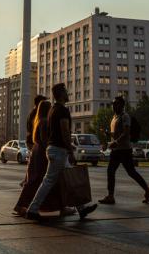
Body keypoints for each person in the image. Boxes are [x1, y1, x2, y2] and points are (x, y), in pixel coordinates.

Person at [25, 83, 97, 221]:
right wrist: (70, 151)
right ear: (61, 94)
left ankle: (81, 209)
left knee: (69, 181)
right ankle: (32, 209)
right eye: (65, 91)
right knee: (49, 181)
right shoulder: (62, 110)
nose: (68, 93)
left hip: (54, 149)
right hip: (59, 150)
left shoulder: (53, 109)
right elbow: (65, 131)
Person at [98, 96, 149, 205]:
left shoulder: (125, 116)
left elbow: (126, 132)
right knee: (111, 171)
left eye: (116, 104)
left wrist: (116, 142)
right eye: (113, 104)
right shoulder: (114, 117)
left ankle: (148, 191)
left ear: (122, 105)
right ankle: (110, 196)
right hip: (116, 150)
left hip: (124, 150)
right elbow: (116, 133)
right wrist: (109, 134)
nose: (113, 106)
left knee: (131, 172)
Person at [14, 100, 56, 215]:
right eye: (50, 107)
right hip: (42, 153)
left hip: (37, 152)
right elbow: (44, 140)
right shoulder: (44, 122)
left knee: (36, 180)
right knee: (37, 180)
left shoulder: (38, 121)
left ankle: (23, 205)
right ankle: (22, 205)